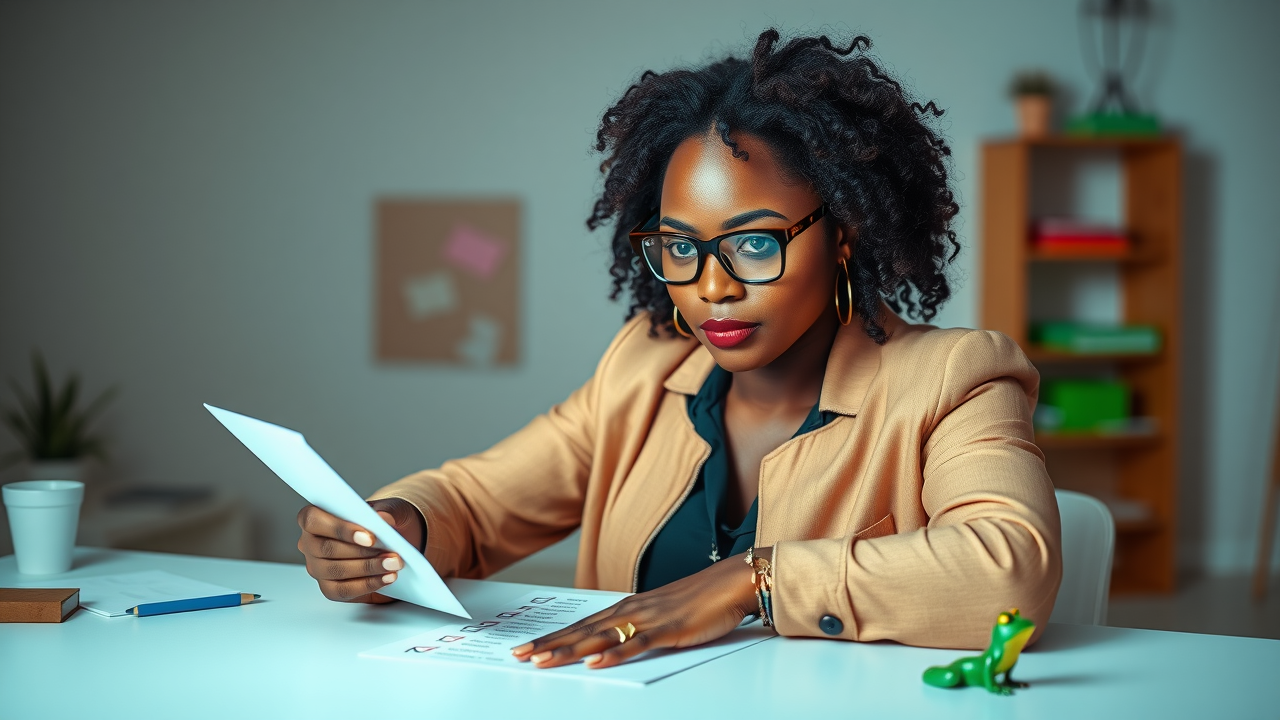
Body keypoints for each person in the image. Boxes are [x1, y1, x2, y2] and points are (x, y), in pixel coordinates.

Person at [296, 28, 1061, 668]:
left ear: (844, 233)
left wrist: (752, 582)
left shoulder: (952, 378)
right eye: (679, 249)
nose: (710, 289)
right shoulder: (646, 364)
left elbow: (1010, 570)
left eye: (754, 244)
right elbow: (474, 501)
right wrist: (395, 527)